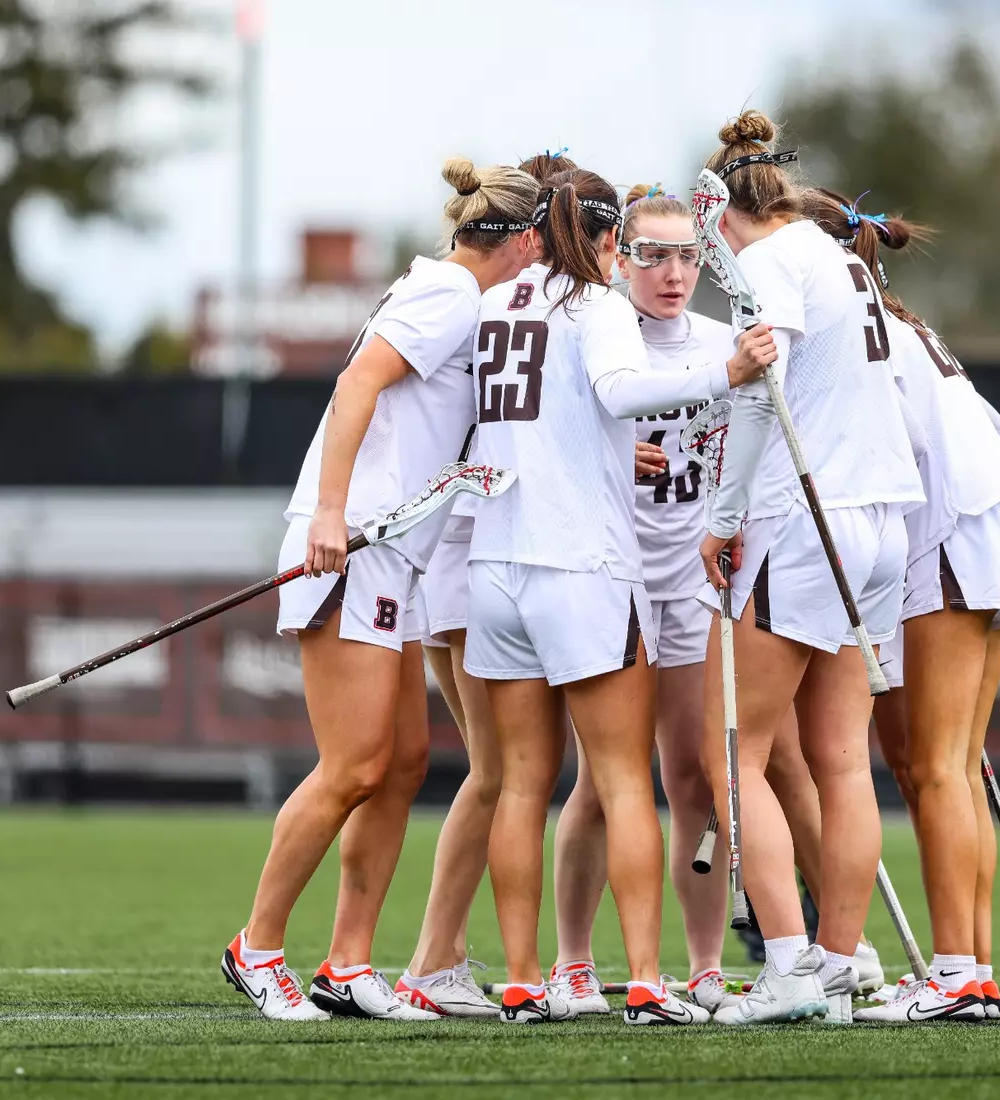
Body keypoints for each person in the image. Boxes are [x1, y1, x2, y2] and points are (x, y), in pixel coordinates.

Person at [220, 158, 541, 1021]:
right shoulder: (448, 296)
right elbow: (355, 384)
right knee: (354, 764)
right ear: (519, 240)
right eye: (541, 238)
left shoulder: (456, 295)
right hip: (350, 545)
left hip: (393, 553)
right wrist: (329, 512)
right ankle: (256, 946)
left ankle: (349, 964)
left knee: (398, 765)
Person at [465, 166, 775, 1025]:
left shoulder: (496, 303)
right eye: (642, 252)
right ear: (610, 243)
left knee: (524, 783)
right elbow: (615, 392)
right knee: (620, 783)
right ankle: (642, 981)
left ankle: (526, 983)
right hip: (585, 569)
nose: (666, 271)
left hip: (496, 567)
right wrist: (728, 376)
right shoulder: (596, 304)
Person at [788, 187, 1000, 1024]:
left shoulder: (856, 338)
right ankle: (970, 969)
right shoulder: (905, 326)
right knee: (945, 764)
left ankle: (956, 973)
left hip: (947, 533)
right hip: (996, 523)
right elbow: (992, 432)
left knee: (932, 766)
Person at [694, 111, 924, 1026]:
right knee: (840, 762)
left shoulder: (770, 261)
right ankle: (837, 965)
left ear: (719, 209)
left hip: (808, 516)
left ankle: (789, 965)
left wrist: (722, 515)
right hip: (878, 524)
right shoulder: (842, 256)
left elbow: (761, 384)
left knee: (734, 749)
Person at [395, 150, 584, 1020]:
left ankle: (442, 958)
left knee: (496, 772)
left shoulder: (490, 301)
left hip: (463, 551)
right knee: (501, 774)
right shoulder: (497, 303)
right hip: (474, 549)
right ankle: (435, 960)